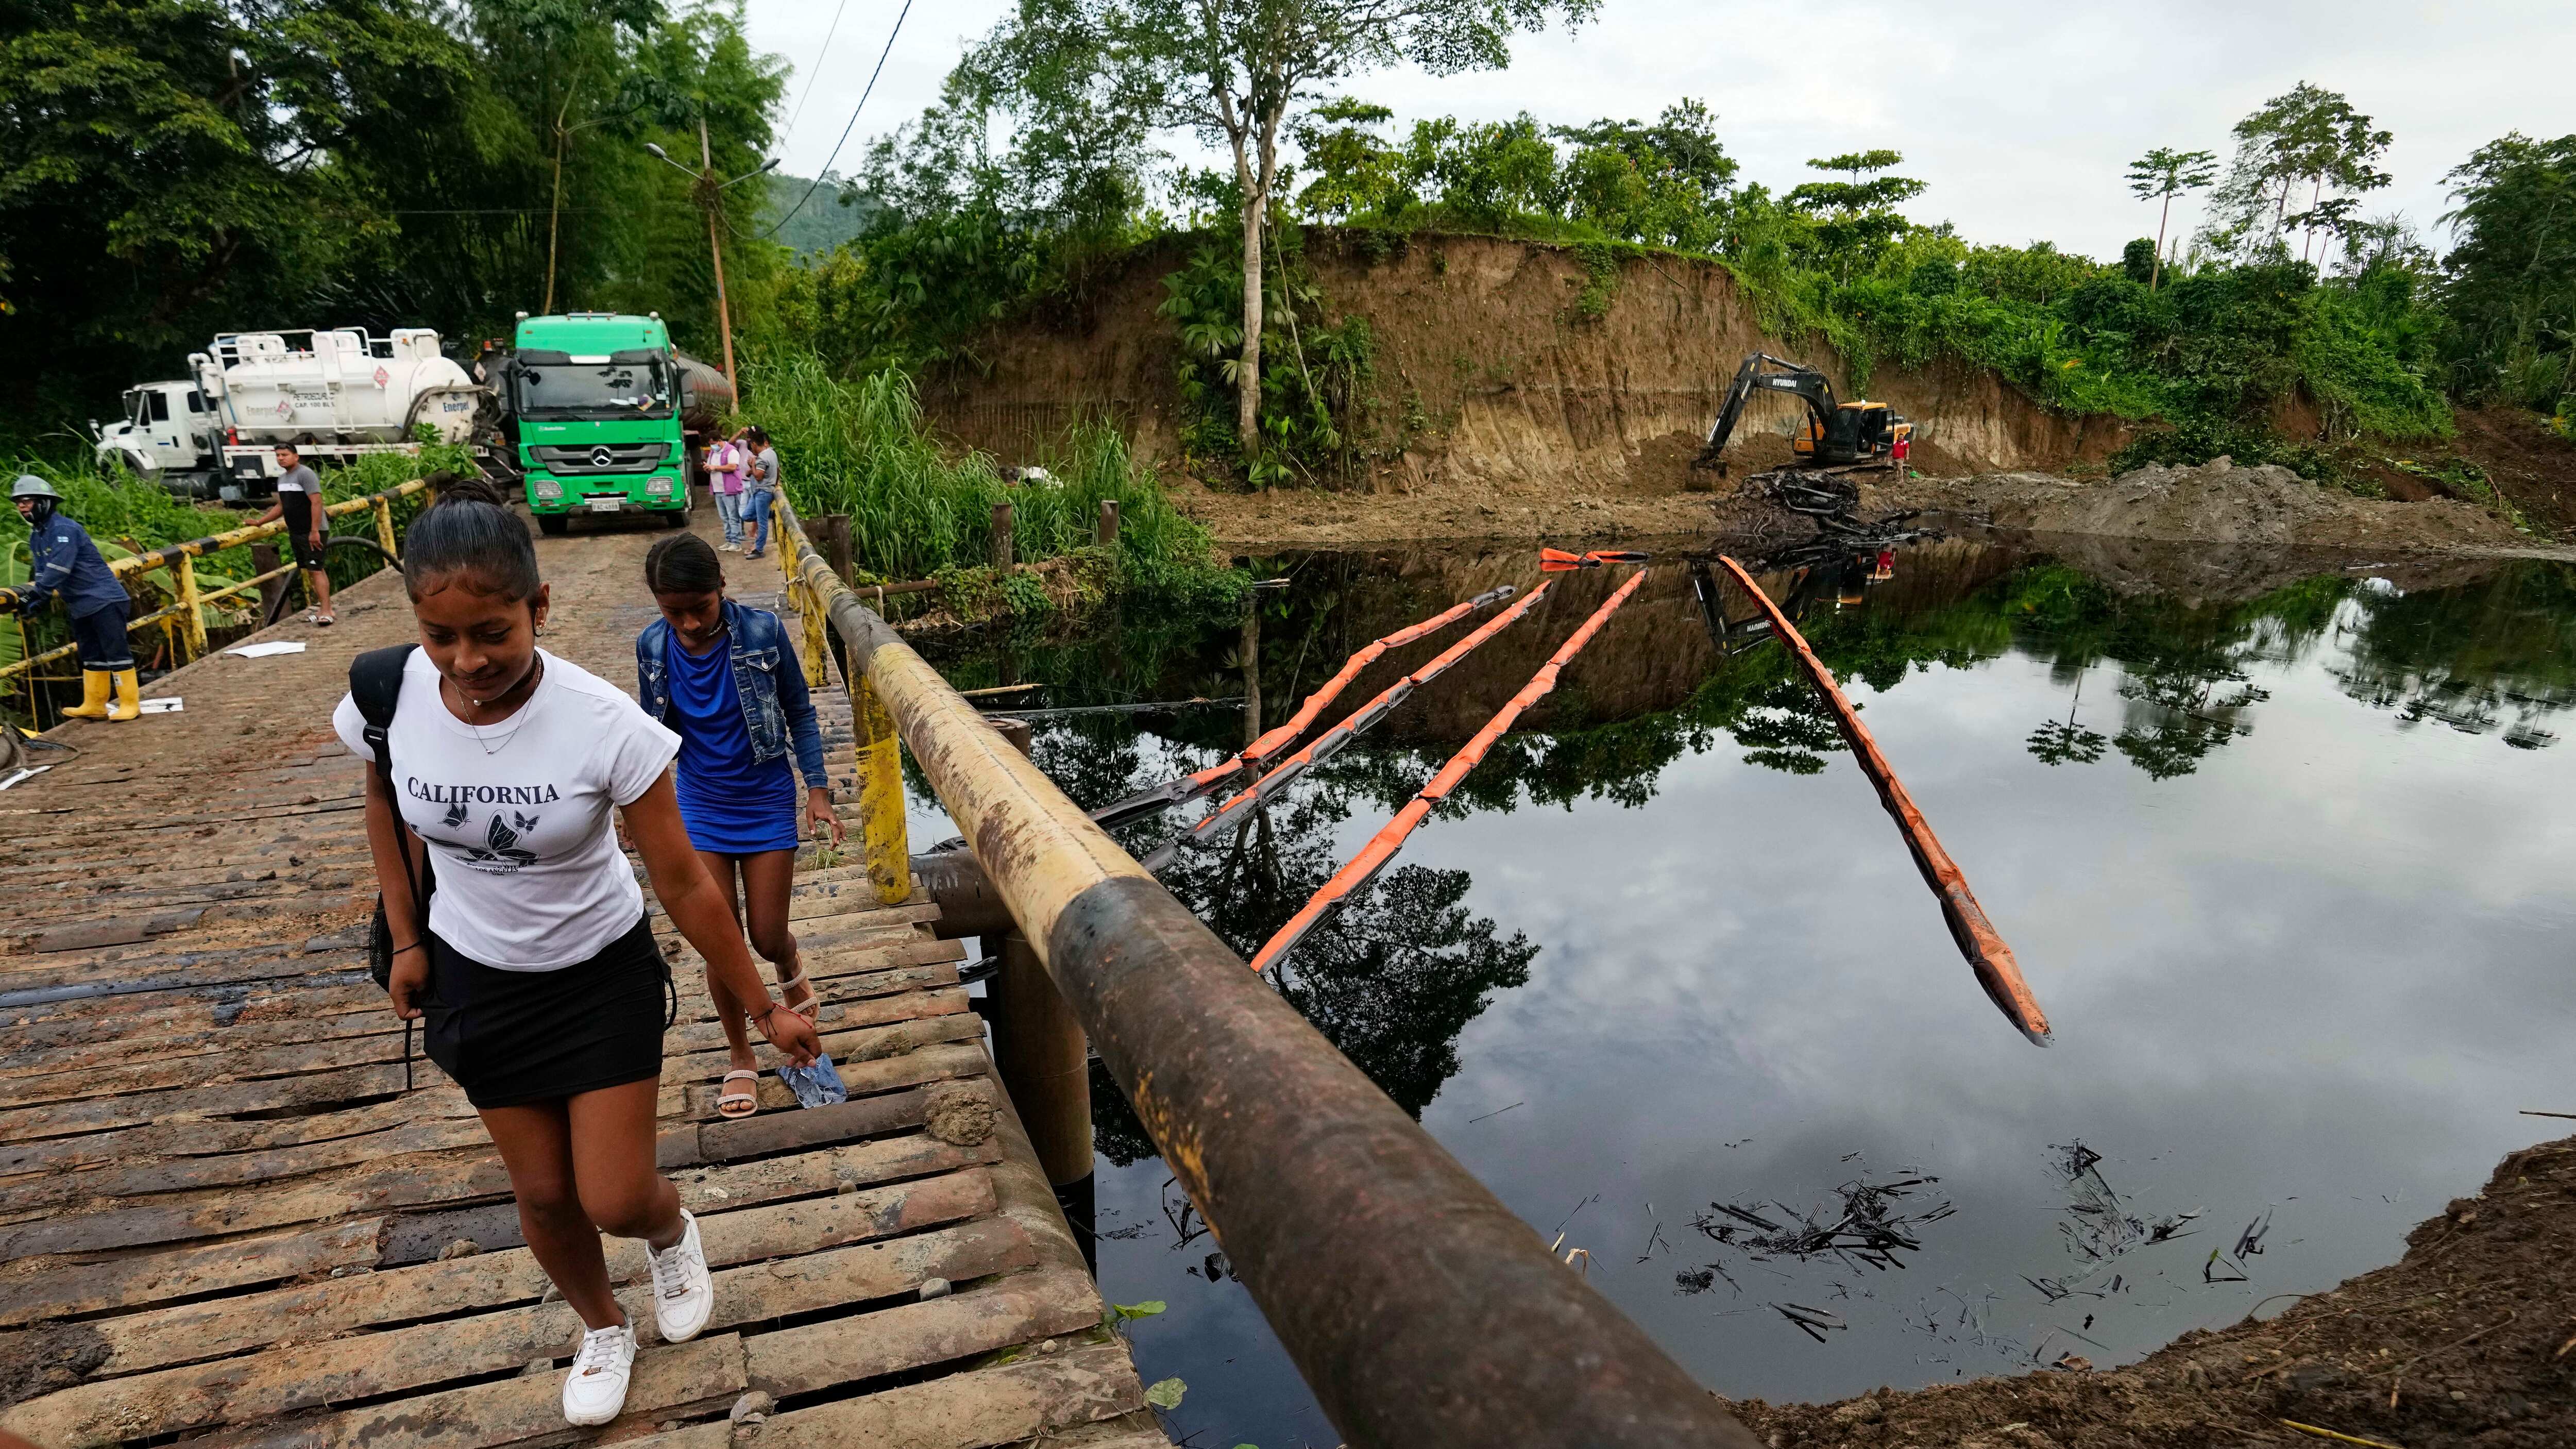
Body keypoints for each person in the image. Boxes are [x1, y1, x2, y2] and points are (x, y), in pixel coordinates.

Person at [334, 476, 820, 1428]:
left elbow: (683, 882)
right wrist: (404, 938)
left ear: (538, 609)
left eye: (493, 634)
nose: (467, 660)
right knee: (548, 1197)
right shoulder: (386, 693)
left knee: (614, 1192)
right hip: (476, 975)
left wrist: (764, 1008)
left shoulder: (605, 723)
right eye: (444, 638)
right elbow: (385, 806)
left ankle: (671, 1229)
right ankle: (603, 1326)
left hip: (598, 973)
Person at [636, 534, 842, 1117]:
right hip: (699, 802)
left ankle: (787, 962)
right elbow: (648, 737)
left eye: (698, 607)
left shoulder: (761, 632)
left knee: (766, 933)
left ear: (721, 589)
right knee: (719, 937)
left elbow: (800, 710)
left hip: (764, 795)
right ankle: (741, 1056)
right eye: (671, 610)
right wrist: (636, 809)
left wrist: (818, 791)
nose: (688, 623)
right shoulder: (652, 646)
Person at [12, 475, 139, 722]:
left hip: (104, 599)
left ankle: (129, 703)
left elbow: (59, 568)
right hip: (80, 603)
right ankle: (95, 704)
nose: (21, 507)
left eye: (26, 501)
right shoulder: (37, 536)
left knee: (116, 652)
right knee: (90, 653)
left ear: (45, 502)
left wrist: (37, 594)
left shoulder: (64, 530)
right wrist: (39, 601)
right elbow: (42, 573)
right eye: (18, 503)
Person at [249, 441, 333, 625]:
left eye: (284, 455)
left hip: (311, 531)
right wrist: (260, 522)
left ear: (296, 456)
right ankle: (322, 609)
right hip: (296, 531)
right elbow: (281, 506)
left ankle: (327, 611)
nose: (281, 458)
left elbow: (316, 502)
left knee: (316, 569)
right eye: (278, 455)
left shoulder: (305, 474)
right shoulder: (283, 479)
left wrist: (315, 530)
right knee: (311, 570)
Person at [739, 427, 778, 560]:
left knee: (762, 523)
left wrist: (754, 465)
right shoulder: (772, 453)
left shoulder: (762, 458)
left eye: (752, 445)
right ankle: (770, 514)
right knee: (747, 515)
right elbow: (778, 470)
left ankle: (759, 549)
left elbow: (759, 476)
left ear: (754, 444)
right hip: (761, 491)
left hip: (763, 492)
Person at [704, 433, 745, 552]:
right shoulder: (713, 453)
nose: (712, 446)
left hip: (730, 490)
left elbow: (733, 467)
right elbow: (712, 466)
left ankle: (736, 543)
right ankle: (729, 541)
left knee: (733, 517)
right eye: (711, 444)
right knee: (725, 518)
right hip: (718, 490)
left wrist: (715, 468)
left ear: (719, 441)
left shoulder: (731, 451)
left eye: (713, 444)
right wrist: (708, 468)